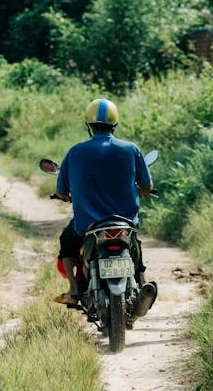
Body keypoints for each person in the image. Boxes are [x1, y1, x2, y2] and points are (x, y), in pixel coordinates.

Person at [53, 98, 153, 305]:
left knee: (67, 241)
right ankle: (142, 281)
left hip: (88, 225)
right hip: (125, 222)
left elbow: (61, 190)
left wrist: (64, 195)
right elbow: (147, 185)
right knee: (134, 242)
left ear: (89, 125)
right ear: (115, 124)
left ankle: (73, 288)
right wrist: (141, 190)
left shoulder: (75, 152)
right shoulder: (131, 149)